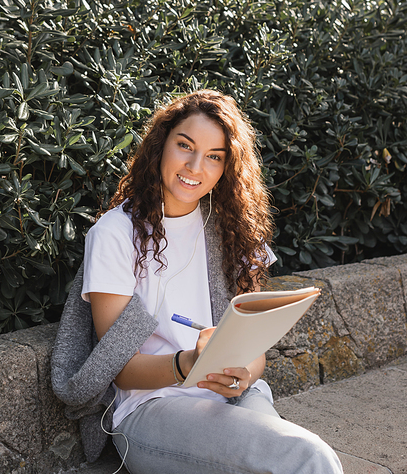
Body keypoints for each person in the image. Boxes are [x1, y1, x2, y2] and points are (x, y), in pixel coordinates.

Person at [51, 90, 343, 474]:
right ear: (161, 145)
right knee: (309, 457)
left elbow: (252, 348)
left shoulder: (231, 229)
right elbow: (117, 368)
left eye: (214, 157)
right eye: (184, 146)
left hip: (233, 397)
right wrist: (189, 364)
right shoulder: (115, 234)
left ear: (227, 167)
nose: (194, 166)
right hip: (151, 409)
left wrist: (243, 375)